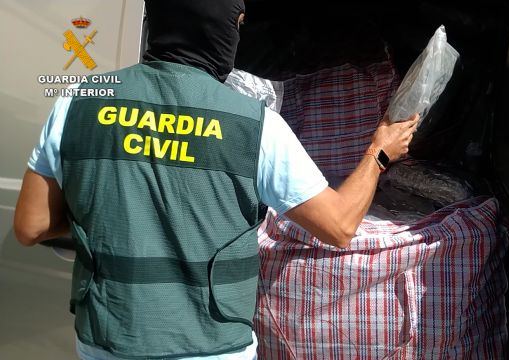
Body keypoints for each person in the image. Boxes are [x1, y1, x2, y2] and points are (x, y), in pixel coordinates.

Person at [13, 0, 418, 359]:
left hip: (105, 340)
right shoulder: (255, 125)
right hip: (211, 348)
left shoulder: (77, 104)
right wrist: (379, 151)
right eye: (237, 24)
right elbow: (339, 226)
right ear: (220, 28)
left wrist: (112, 222)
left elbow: (32, 227)